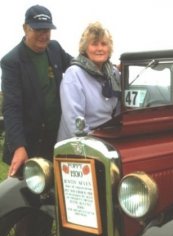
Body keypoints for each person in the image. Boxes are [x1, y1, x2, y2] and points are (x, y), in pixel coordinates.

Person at [1, 4, 72, 177]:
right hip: (29, 147)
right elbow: (11, 108)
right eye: (38, 29)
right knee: (26, 199)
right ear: (25, 28)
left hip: (55, 142)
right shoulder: (11, 61)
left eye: (47, 29)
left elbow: (77, 67)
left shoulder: (55, 49)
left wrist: (106, 66)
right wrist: (19, 147)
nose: (44, 35)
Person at [57, 21, 121, 141]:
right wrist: (99, 144)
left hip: (108, 137)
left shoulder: (113, 73)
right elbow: (75, 124)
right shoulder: (74, 74)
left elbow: (119, 112)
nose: (100, 49)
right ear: (85, 48)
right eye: (94, 44)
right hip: (79, 143)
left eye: (104, 44)